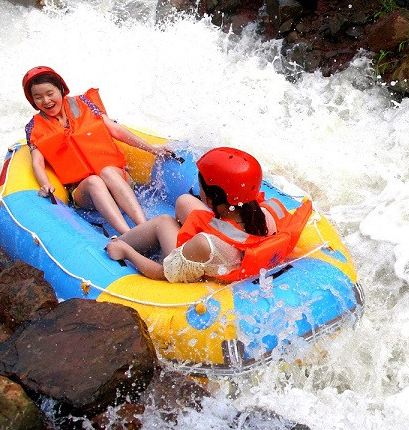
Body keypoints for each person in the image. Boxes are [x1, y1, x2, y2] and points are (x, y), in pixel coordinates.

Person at [105, 147, 312, 283]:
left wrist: (127, 253)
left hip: (215, 255)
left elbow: (164, 273)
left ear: (211, 199)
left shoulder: (204, 244)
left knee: (164, 222)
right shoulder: (268, 212)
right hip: (234, 249)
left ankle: (120, 241)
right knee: (184, 202)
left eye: (201, 187)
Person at [22, 66, 171, 235]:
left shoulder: (84, 103)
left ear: (61, 90)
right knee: (94, 180)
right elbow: (37, 162)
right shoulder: (33, 127)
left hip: (117, 176)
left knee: (106, 171)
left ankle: (144, 227)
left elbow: (116, 130)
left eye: (50, 93)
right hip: (84, 191)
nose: (46, 101)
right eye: (38, 97)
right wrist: (45, 184)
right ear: (33, 101)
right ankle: (129, 234)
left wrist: (152, 149)